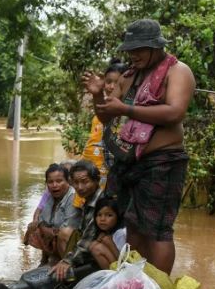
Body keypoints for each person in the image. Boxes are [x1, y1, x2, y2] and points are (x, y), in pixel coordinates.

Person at [82, 19, 195, 274]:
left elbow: (174, 112)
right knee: (133, 224)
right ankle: (138, 283)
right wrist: (98, 94)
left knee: (158, 230)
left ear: (156, 46)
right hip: (130, 161)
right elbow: (106, 116)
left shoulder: (177, 71)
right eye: (130, 50)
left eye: (139, 49)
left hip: (163, 161)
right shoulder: (129, 76)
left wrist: (125, 109)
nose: (133, 55)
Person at [74, 59, 125, 207]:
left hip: (111, 180)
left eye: (116, 82)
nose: (111, 86)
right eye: (108, 82)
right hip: (89, 177)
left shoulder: (128, 114)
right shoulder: (99, 114)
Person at [52, 161, 104, 280]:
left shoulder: (101, 203)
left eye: (85, 182)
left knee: (58, 277)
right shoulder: (88, 200)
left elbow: (87, 241)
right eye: (76, 183)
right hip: (90, 250)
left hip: (100, 254)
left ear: (96, 180)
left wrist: (67, 261)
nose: (80, 187)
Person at [24, 164, 80, 264]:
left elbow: (68, 228)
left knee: (61, 234)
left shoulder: (72, 197)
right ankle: (46, 259)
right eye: (50, 182)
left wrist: (48, 230)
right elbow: (39, 212)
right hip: (52, 230)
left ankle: (66, 263)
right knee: (33, 228)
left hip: (68, 237)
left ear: (68, 181)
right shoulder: (48, 194)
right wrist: (37, 223)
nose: (54, 185)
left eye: (59, 181)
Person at [89, 197, 121, 270]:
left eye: (109, 215)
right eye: (99, 215)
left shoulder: (120, 233)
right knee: (93, 245)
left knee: (97, 248)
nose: (102, 219)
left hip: (125, 269)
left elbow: (125, 260)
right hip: (116, 266)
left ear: (118, 217)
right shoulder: (103, 233)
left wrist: (109, 243)